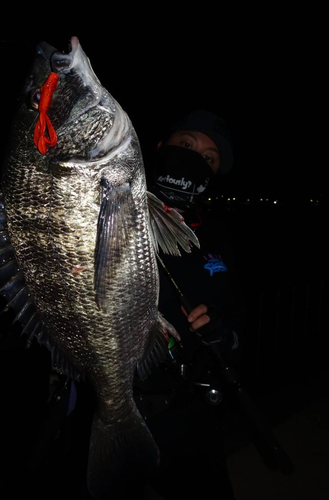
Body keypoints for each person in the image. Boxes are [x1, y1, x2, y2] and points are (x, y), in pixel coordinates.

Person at [133, 109, 246, 499]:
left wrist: (222, 332)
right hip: (123, 407)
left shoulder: (217, 236)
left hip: (195, 417)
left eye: (209, 158)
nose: (196, 159)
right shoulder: (115, 215)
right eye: (187, 145)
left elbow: (237, 329)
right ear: (160, 147)